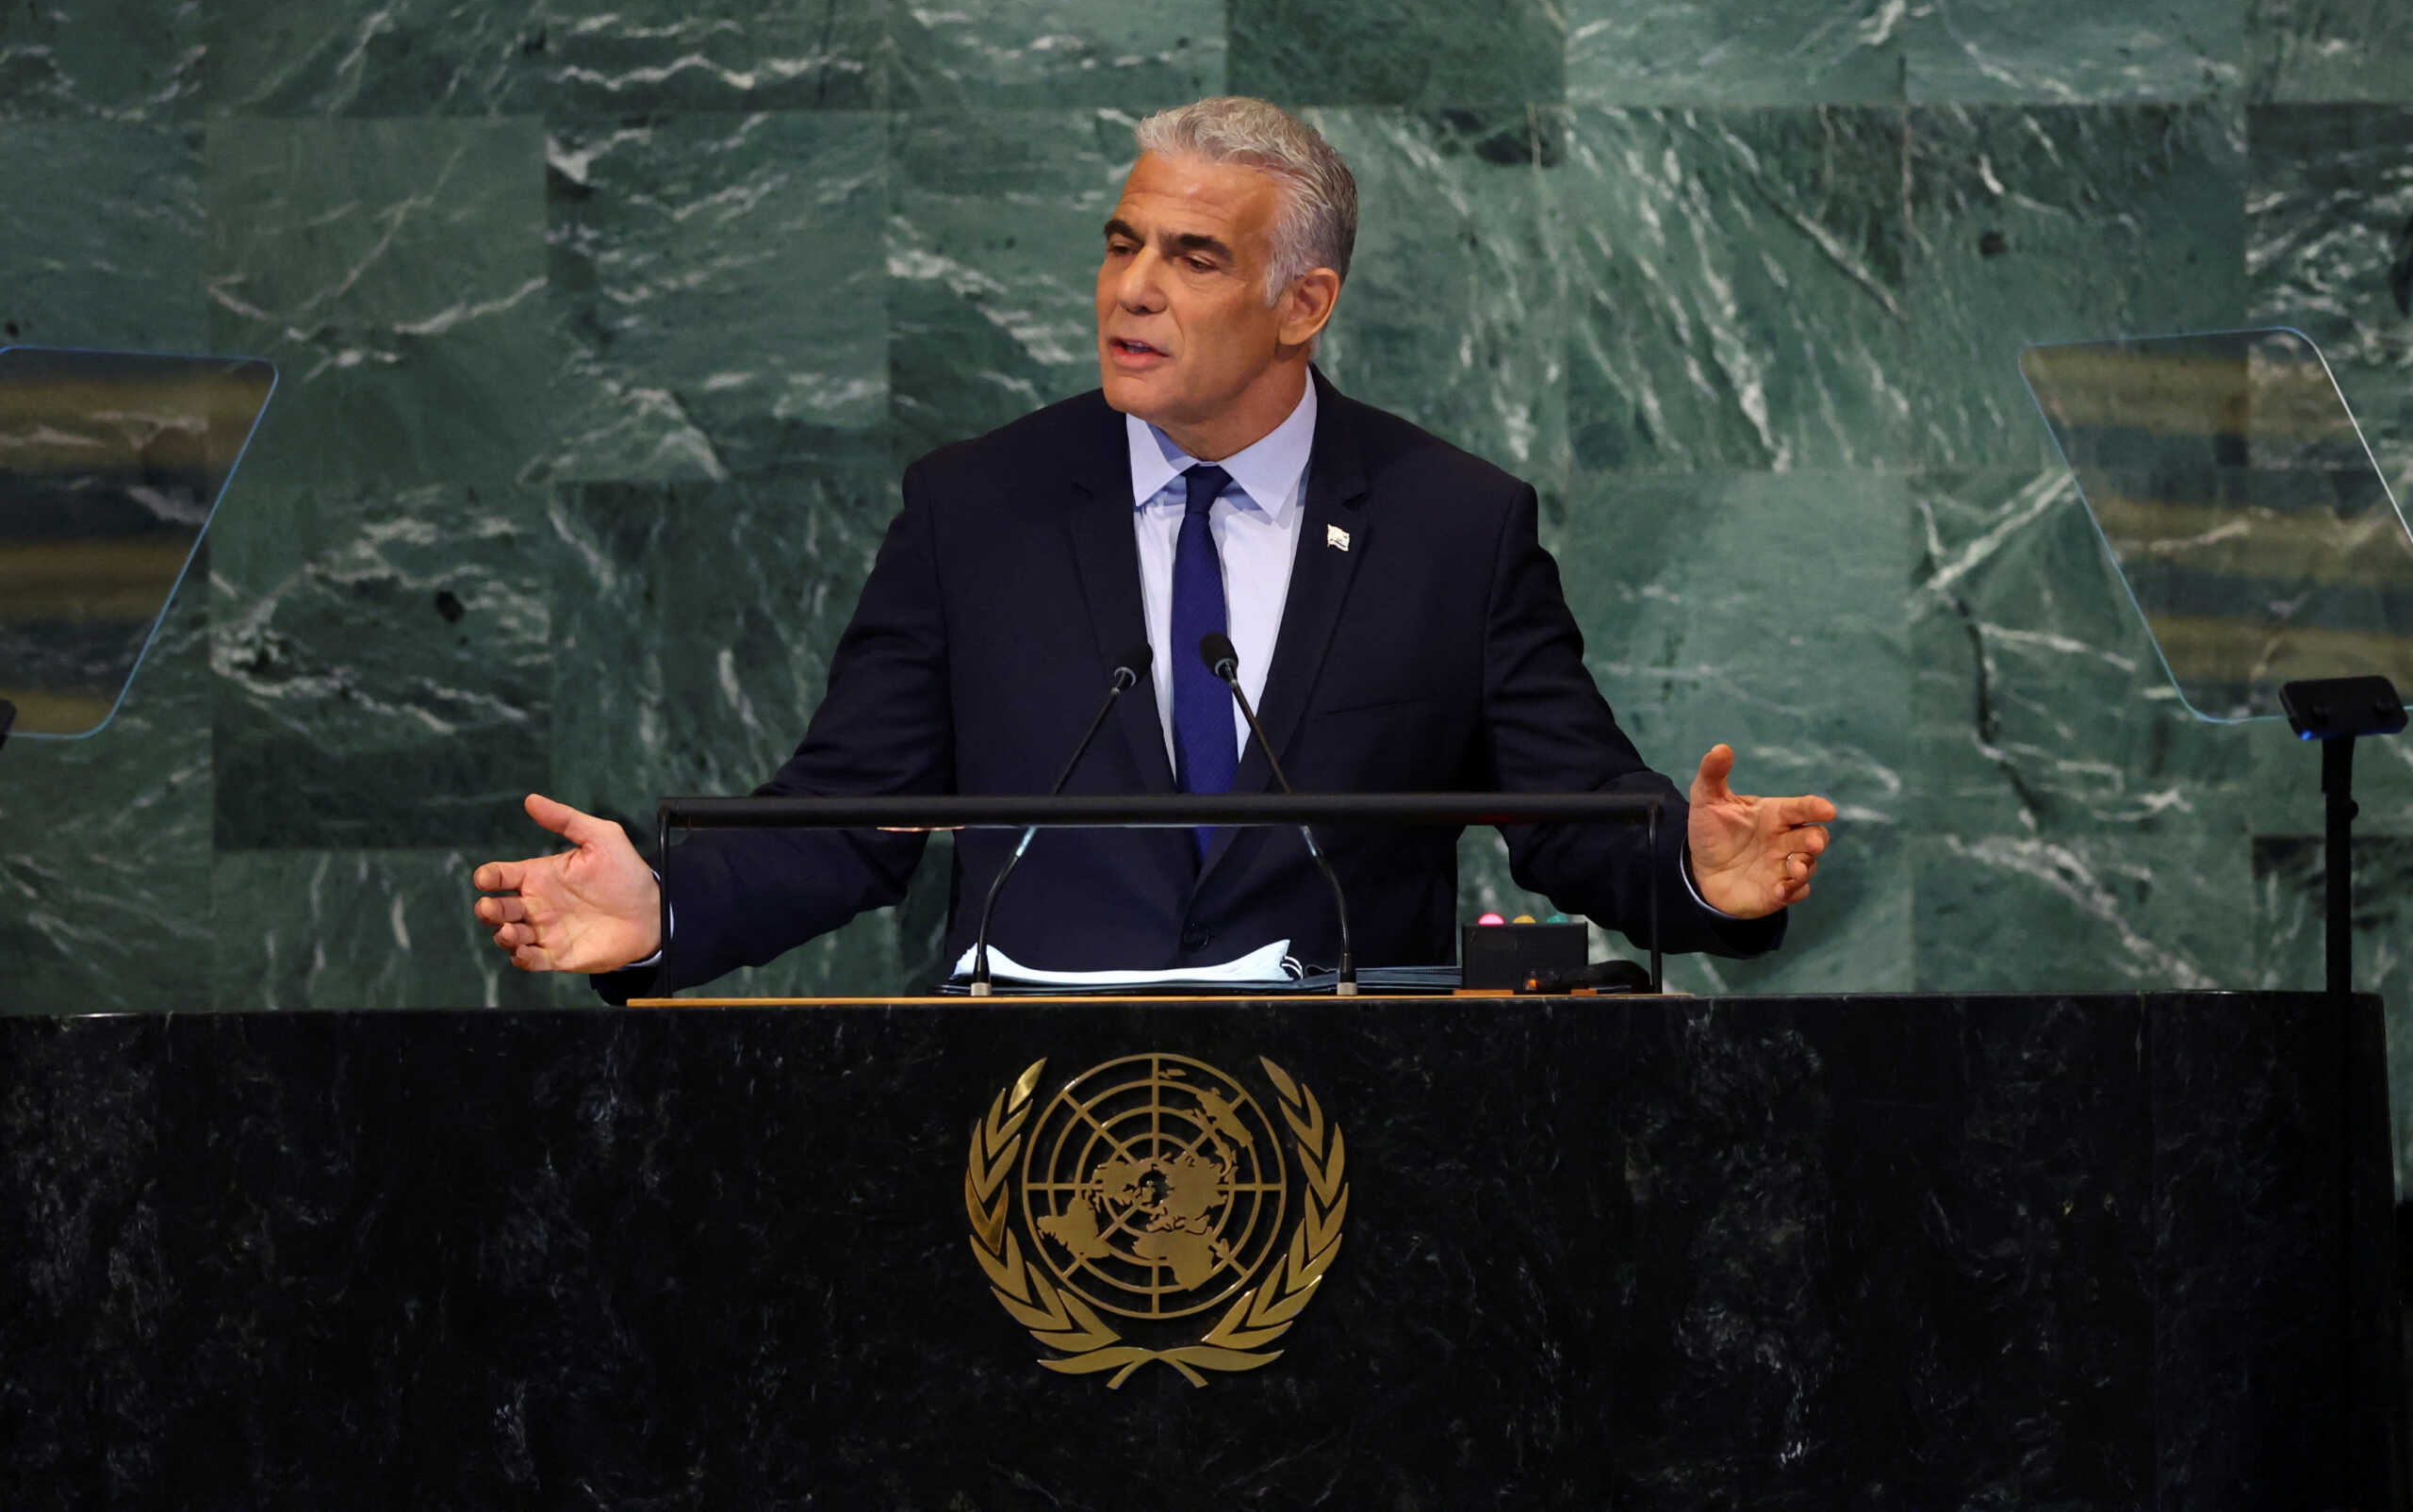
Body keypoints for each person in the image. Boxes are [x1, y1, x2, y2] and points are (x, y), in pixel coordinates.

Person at [472, 97, 1833, 995]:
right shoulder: (977, 509)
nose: (1132, 288)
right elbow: (848, 821)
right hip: (1025, 1138)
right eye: (1123, 245)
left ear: (1303, 303)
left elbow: (1575, 815)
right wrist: (662, 911)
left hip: (1364, 1144)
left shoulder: (1451, 525)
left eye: (1193, 258)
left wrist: (1696, 876)